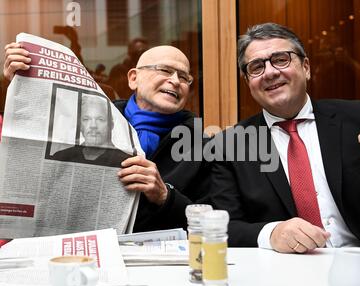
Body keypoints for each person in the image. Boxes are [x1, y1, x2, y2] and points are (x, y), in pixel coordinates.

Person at [209, 23, 360, 253]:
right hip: (286, 275)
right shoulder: (231, 145)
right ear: (248, 82)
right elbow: (223, 226)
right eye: (256, 67)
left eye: (281, 59)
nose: (270, 72)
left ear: (306, 67)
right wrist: (272, 234)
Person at [3, 42, 209, 232]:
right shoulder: (91, 120)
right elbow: (37, 123)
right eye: (165, 70)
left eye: (184, 77)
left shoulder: (203, 146)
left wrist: (165, 196)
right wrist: (22, 80)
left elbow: (213, 222)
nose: (175, 81)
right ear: (133, 78)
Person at [50, 94, 131, 167]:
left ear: (111, 125)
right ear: (80, 125)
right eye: (86, 119)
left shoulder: (126, 163)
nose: (93, 126)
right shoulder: (61, 157)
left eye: (100, 119)